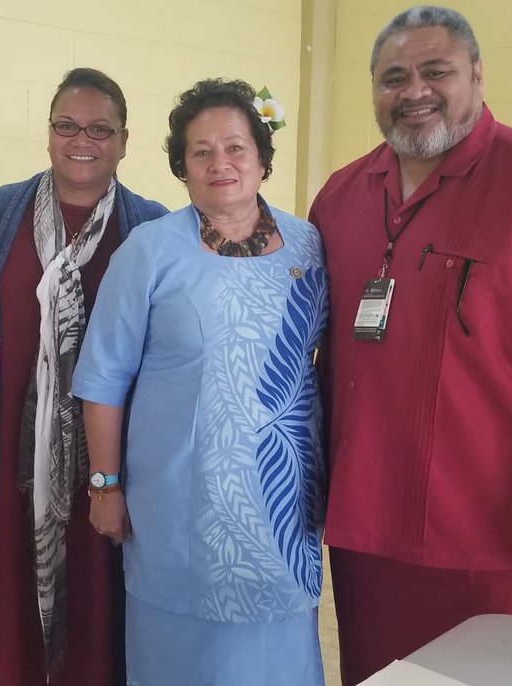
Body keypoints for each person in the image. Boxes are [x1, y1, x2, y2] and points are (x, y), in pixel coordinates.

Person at [308, 6, 512, 685]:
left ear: (476, 74)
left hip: (505, 535)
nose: (414, 92)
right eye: (393, 77)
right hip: (371, 534)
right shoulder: (342, 196)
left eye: (435, 71)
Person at [72, 78, 329, 686]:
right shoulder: (150, 250)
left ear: (263, 158)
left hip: (283, 498)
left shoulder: (310, 243)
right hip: (182, 503)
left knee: (280, 656)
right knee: (185, 659)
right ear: (181, 167)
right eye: (202, 151)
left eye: (236, 147)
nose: (221, 163)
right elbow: (103, 377)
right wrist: (105, 486)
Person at [0, 67, 167, 685]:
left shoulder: (149, 227)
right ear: (48, 135)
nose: (83, 139)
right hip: (12, 463)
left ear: (124, 141)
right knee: (10, 591)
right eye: (67, 126)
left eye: (101, 129)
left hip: (107, 460)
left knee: (100, 597)